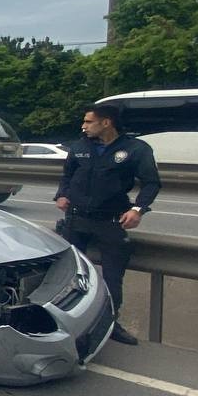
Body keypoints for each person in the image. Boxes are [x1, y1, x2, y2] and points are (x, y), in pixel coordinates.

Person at [55, 104, 161, 345]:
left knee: (113, 278)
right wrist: (62, 194)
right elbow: (67, 175)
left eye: (89, 122)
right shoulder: (80, 146)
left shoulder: (135, 149)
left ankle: (110, 324)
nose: (84, 126)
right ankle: (71, 323)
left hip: (110, 220)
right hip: (76, 219)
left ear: (106, 123)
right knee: (70, 274)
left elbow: (151, 183)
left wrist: (138, 209)